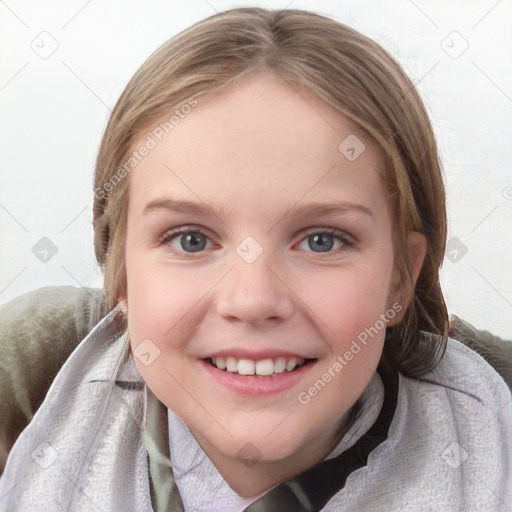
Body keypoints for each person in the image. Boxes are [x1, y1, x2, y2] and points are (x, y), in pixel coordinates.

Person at [0, 7, 511, 511]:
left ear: (400, 278)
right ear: (122, 273)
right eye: (191, 240)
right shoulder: (34, 375)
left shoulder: (492, 428)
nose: (251, 300)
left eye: (322, 241)